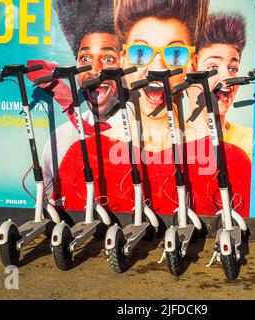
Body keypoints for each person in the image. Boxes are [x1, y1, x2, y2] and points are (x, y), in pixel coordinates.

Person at [27, 0, 123, 200]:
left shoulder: (144, 132)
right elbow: (48, 199)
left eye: (108, 59)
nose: (94, 70)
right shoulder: (61, 139)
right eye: (85, 59)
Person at [102, 0, 209, 154]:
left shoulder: (220, 156)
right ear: (123, 60)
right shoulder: (85, 155)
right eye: (140, 53)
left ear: (193, 63)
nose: (158, 69)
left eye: (175, 54)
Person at [186, 12, 253, 159]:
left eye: (233, 68)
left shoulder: (252, 141)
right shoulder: (169, 141)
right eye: (212, 68)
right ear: (191, 69)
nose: (228, 77)